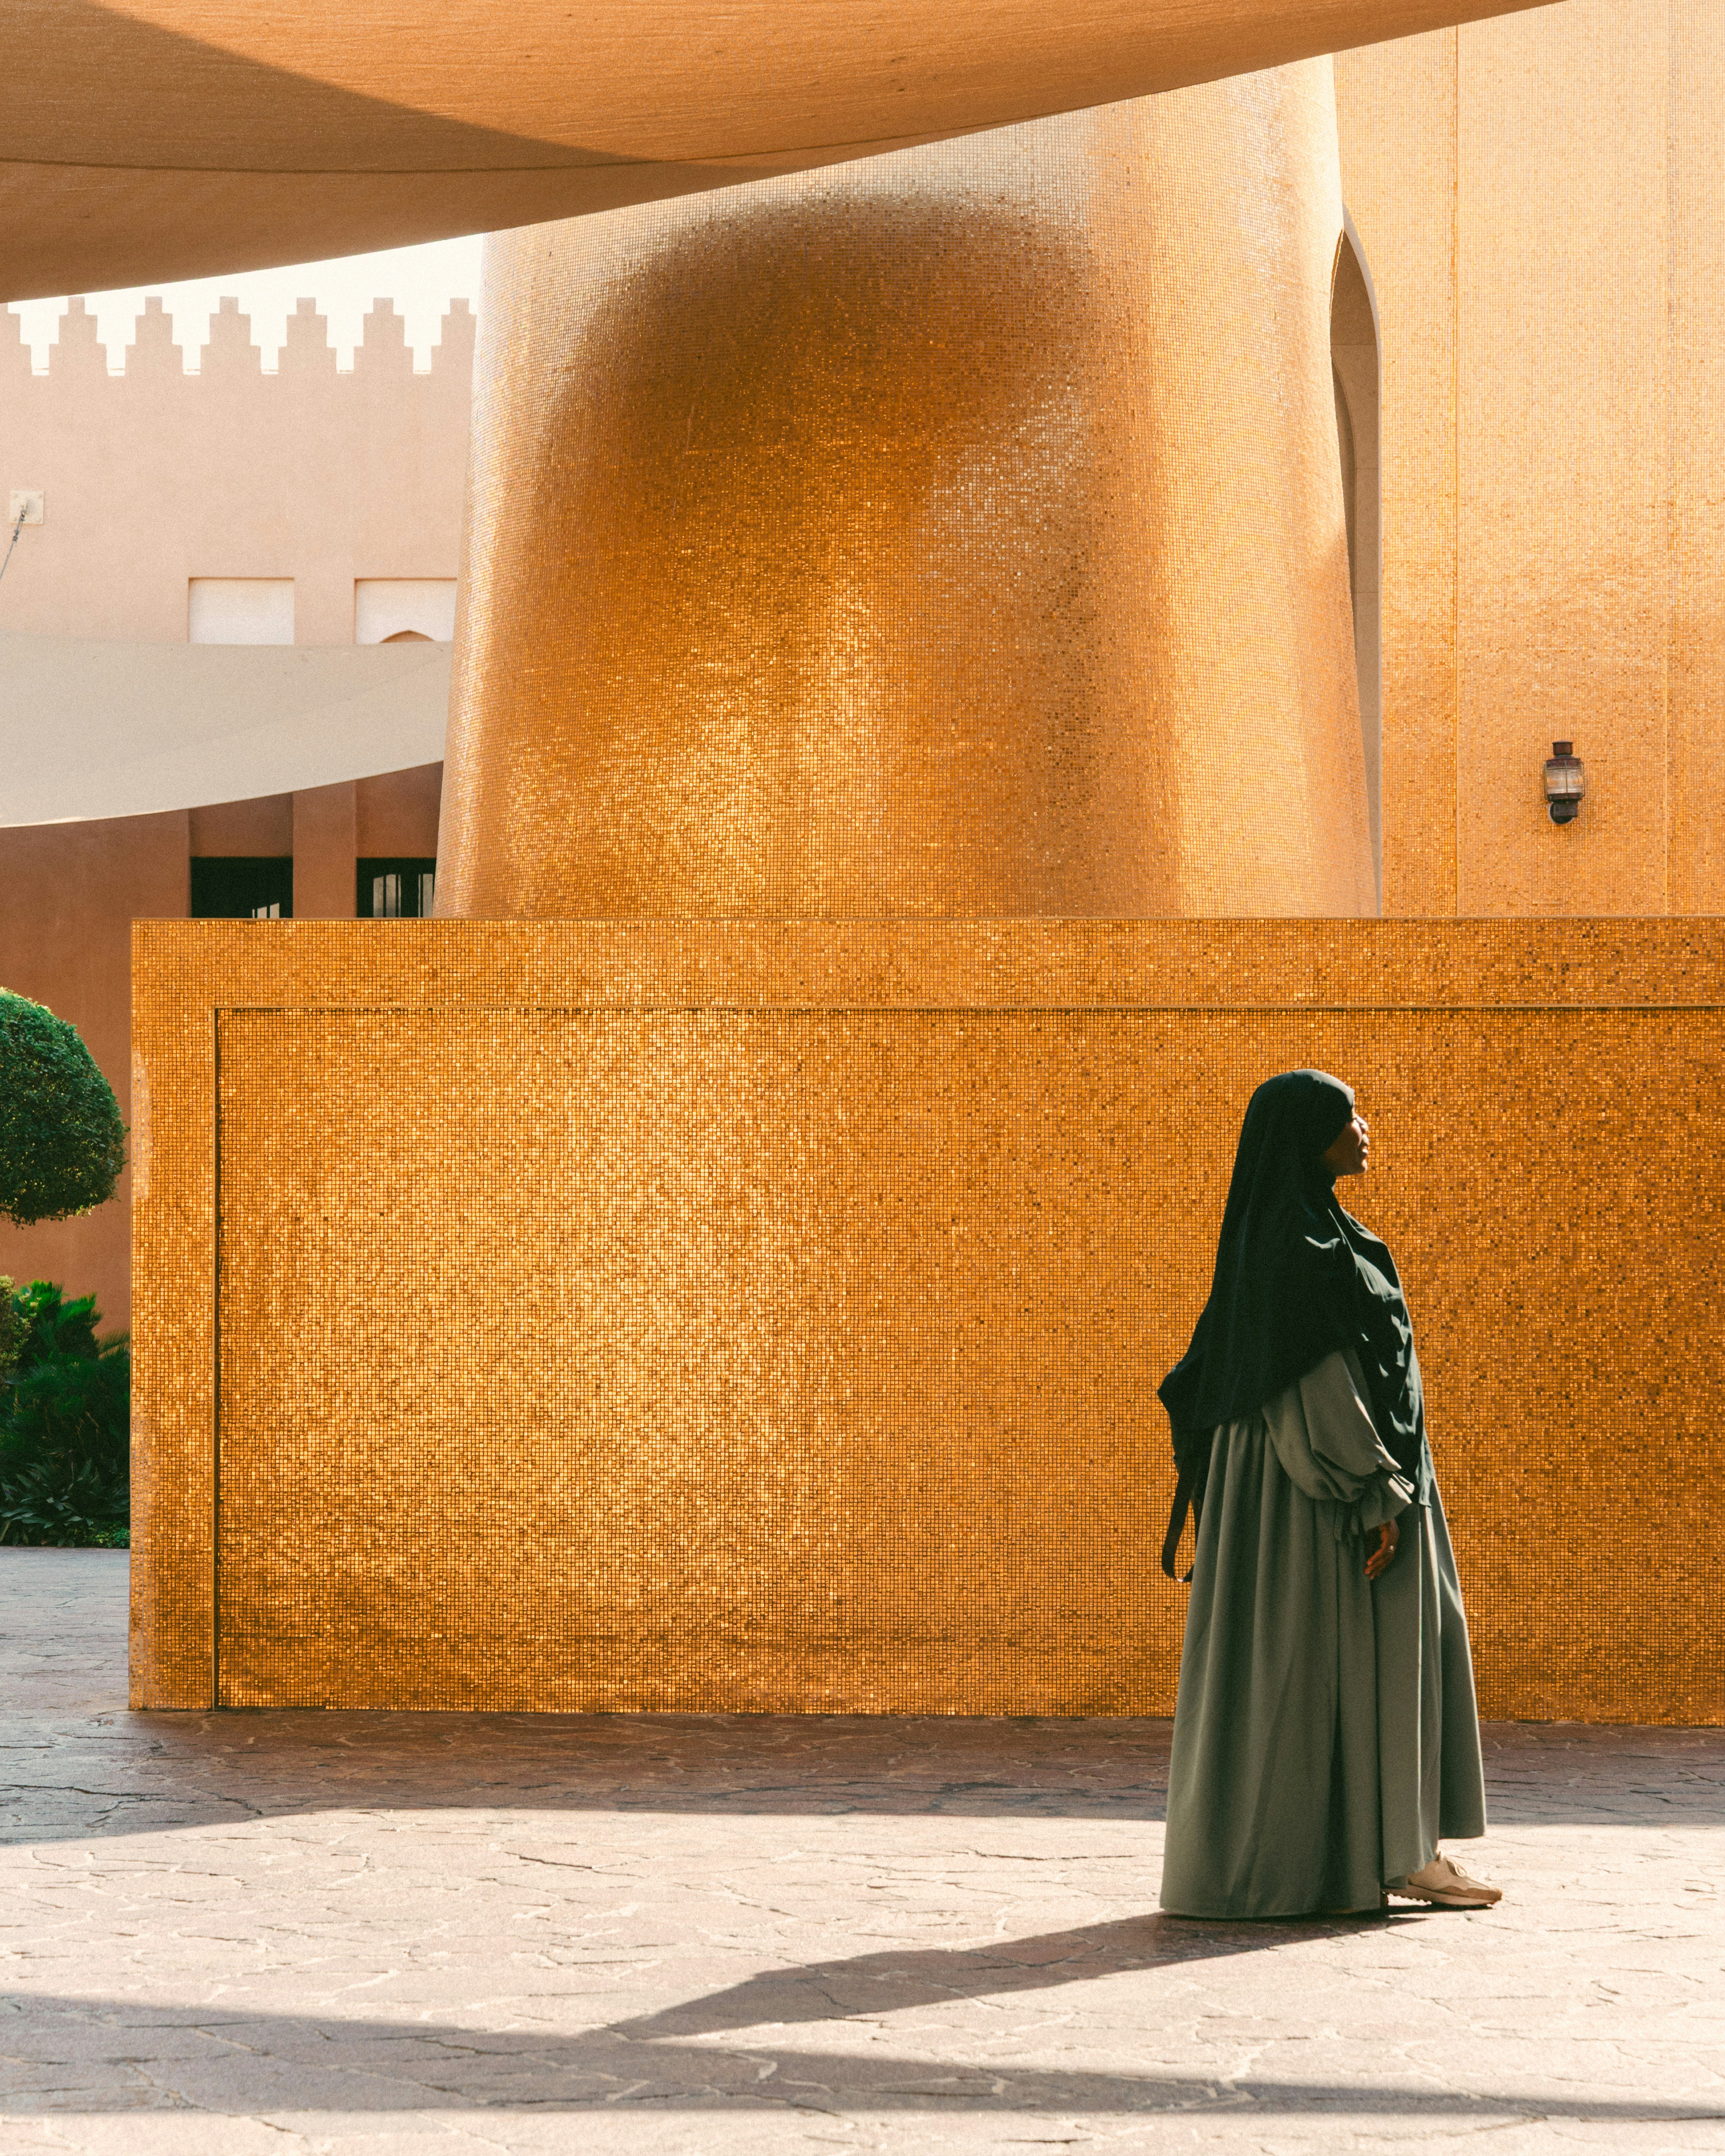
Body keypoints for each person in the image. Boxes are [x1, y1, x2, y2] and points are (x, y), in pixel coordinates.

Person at [1157, 1068, 1500, 1918]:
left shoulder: (1308, 1233)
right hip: (1318, 1489)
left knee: (1333, 1661)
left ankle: (1390, 1846)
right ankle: (1367, 1853)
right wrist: (1371, 1488)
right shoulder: (1293, 1248)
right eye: (1345, 1116)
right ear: (1307, 1135)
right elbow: (1316, 1382)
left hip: (1336, 1477)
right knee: (1314, 1665)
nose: (1363, 1127)